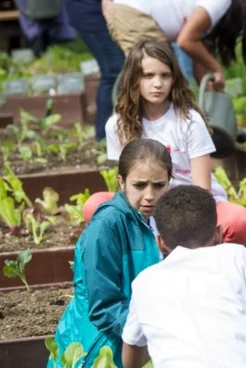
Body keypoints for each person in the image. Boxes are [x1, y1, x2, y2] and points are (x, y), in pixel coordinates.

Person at [83, 40, 246, 244]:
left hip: (191, 207)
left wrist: (180, 229)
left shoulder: (190, 120)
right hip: (146, 205)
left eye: (165, 75)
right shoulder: (117, 125)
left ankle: (194, 252)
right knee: (94, 206)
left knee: (240, 221)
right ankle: (145, 249)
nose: (158, 84)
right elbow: (126, 186)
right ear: (133, 79)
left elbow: (202, 190)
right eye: (148, 75)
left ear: (174, 78)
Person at [121, 185, 246, 368]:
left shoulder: (145, 282)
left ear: (160, 243)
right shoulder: (236, 256)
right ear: (219, 234)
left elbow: (131, 352)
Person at [48, 138, 172, 367]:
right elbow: (103, 307)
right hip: (96, 347)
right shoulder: (106, 226)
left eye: (158, 185)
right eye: (139, 185)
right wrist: (158, 339)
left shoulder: (155, 220)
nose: (150, 195)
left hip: (136, 341)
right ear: (121, 182)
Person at [103, 0, 246, 91]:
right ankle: (143, 141)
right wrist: (217, 69)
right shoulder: (221, 2)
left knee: (171, 88)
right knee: (161, 86)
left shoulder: (211, 16)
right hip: (135, 14)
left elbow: (198, 63)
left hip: (134, 14)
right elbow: (185, 41)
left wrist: (213, 91)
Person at [64, 0, 125, 140]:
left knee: (115, 71)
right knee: (113, 71)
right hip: (93, 15)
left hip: (94, 12)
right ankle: (103, 134)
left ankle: (108, 132)